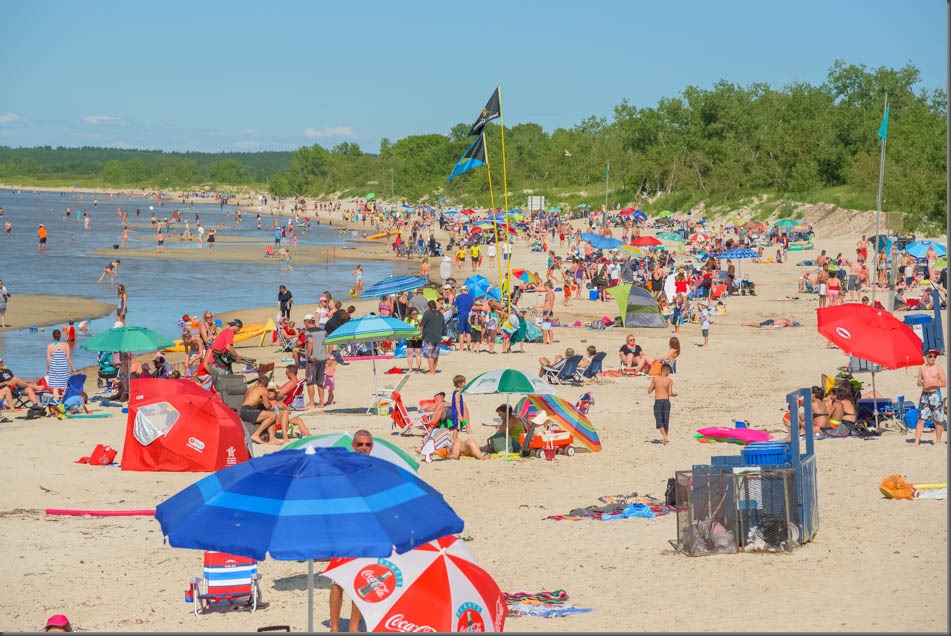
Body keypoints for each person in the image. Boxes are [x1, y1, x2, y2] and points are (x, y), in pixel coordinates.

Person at [329, 432, 372, 632]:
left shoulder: (374, 469)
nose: (364, 447)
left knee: (360, 581)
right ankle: (335, 627)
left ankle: (354, 626)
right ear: (354, 445)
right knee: (338, 581)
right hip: (345, 530)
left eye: (368, 444)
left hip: (366, 531)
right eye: (360, 444)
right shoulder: (343, 469)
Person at [914, 349, 946, 446]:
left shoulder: (938, 368)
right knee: (921, 418)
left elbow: (944, 383)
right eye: (930, 356)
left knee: (937, 418)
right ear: (926, 357)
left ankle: (938, 440)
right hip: (924, 395)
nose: (933, 358)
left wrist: (932, 384)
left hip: (935, 394)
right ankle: (916, 441)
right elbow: (918, 382)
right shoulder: (922, 368)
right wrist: (921, 383)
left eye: (934, 356)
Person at [241, 375, 282, 445]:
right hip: (248, 411)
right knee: (273, 415)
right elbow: (267, 406)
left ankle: (272, 439)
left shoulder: (251, 388)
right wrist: (272, 406)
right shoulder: (263, 390)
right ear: (266, 384)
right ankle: (256, 434)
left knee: (271, 416)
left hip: (243, 410)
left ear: (258, 382)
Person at [207, 318, 244, 391]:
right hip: (217, 362)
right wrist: (237, 356)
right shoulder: (230, 333)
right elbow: (228, 347)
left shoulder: (225, 331)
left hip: (212, 360)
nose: (238, 331)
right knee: (222, 387)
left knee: (217, 386)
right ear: (237, 326)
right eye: (239, 329)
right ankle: (222, 401)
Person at [302, 313, 328, 408]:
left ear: (307, 322)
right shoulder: (322, 331)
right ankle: (321, 403)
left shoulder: (308, 332)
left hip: (313, 359)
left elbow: (310, 342)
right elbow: (328, 342)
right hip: (322, 358)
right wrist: (327, 353)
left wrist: (309, 355)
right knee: (320, 381)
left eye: (304, 322)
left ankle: (312, 403)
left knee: (310, 381)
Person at [648, 363, 676, 445]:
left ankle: (664, 436)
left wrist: (655, 387)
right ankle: (665, 437)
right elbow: (670, 393)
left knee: (659, 419)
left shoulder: (655, 379)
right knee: (666, 420)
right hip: (666, 401)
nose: (669, 373)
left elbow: (649, 391)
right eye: (669, 372)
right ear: (666, 371)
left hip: (658, 401)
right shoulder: (669, 380)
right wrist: (675, 394)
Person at [46, 329, 75, 397]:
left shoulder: (50, 346)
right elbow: (68, 358)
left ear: (53, 336)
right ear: (60, 336)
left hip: (54, 369)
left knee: (55, 387)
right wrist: (72, 367)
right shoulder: (65, 345)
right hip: (63, 368)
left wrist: (47, 369)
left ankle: (56, 401)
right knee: (64, 385)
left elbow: (48, 359)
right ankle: (64, 399)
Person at [420, 300, 445, 375]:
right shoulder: (440, 314)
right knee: (435, 354)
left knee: (429, 355)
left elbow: (421, 326)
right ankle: (433, 369)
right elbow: (443, 326)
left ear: (428, 307)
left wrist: (418, 334)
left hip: (428, 336)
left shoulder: (427, 314)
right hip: (438, 336)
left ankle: (431, 371)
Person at [448, 374, 470, 442]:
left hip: (457, 412)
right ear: (459, 384)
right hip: (457, 413)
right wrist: (460, 415)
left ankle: (454, 439)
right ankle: (454, 440)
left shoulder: (457, 392)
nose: (465, 383)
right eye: (463, 382)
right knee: (456, 428)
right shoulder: (457, 393)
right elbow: (457, 404)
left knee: (457, 427)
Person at [454, 285, 474, 351]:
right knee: (468, 332)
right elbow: (472, 307)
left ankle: (461, 348)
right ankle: (468, 348)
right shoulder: (471, 298)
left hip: (461, 314)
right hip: (468, 315)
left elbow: (454, 306)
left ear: (461, 290)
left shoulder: (459, 297)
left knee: (461, 332)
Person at [405, 307, 423, 373]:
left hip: (418, 337)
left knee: (418, 353)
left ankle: (418, 369)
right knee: (410, 353)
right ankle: (410, 369)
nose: (415, 315)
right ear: (410, 314)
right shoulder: (407, 319)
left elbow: (422, 323)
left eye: (416, 313)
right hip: (409, 337)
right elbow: (405, 327)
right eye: (413, 314)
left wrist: (417, 319)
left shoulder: (420, 316)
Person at [540, 281, 555, 345]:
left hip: (548, 312)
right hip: (545, 311)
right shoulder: (547, 294)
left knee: (545, 328)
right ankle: (549, 341)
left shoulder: (551, 294)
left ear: (548, 286)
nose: (544, 288)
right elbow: (545, 304)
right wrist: (536, 306)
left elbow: (551, 304)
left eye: (545, 286)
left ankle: (546, 341)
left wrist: (548, 313)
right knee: (548, 327)